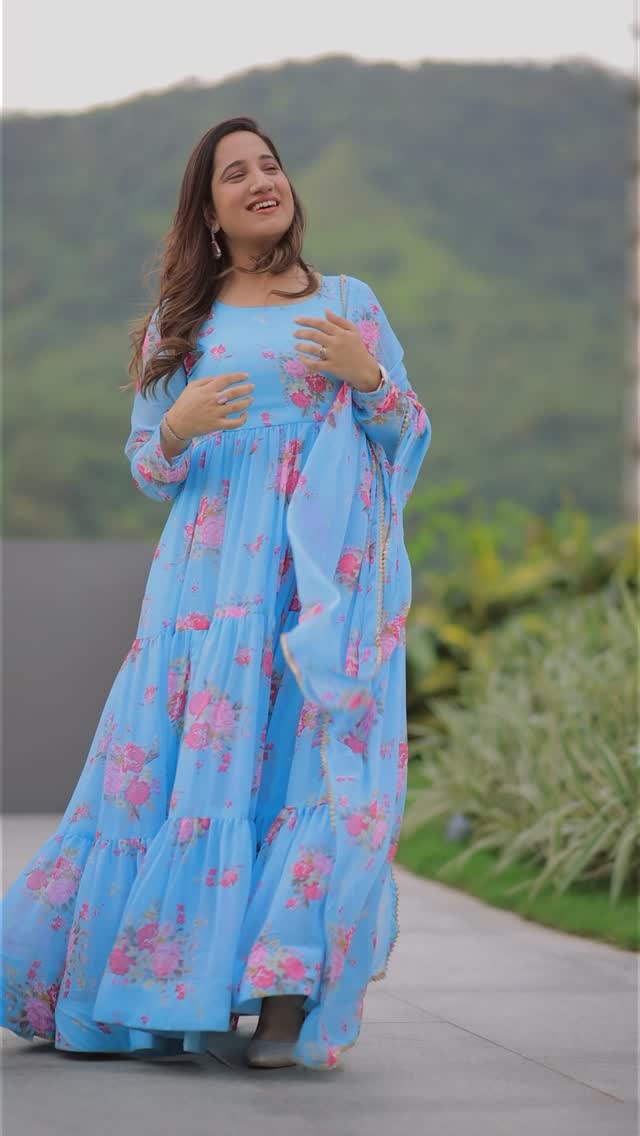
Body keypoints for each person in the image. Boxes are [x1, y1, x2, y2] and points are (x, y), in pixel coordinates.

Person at [0, 115, 431, 1071]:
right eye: (235, 173)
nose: (260, 180)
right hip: (206, 592)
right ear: (208, 209)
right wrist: (179, 425)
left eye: (269, 165)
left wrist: (368, 379)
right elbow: (149, 470)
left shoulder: (349, 302)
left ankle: (283, 998)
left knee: (309, 771)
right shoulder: (183, 324)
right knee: (185, 771)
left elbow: (406, 435)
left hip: (315, 589)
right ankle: (161, 989)